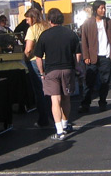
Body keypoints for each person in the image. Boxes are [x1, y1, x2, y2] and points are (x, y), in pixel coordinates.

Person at [34, 8, 81, 141]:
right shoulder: (71, 34)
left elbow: (38, 57)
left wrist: (42, 72)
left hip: (51, 71)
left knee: (55, 100)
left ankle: (59, 130)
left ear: (49, 20)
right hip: (67, 69)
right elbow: (77, 53)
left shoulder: (44, 35)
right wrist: (76, 66)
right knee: (66, 98)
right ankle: (65, 124)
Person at [79, 0, 111, 113]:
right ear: (96, 10)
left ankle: (103, 102)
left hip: (105, 56)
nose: (103, 10)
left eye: (104, 8)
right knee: (88, 82)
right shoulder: (88, 23)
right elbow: (84, 41)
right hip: (92, 57)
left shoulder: (109, 22)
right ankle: (85, 104)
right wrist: (86, 56)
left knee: (105, 82)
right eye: (101, 8)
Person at [24, 7, 52, 127]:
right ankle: (55, 116)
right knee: (52, 90)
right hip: (50, 60)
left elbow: (28, 49)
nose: (26, 22)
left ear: (33, 18)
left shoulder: (32, 29)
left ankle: (43, 119)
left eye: (27, 19)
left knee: (40, 91)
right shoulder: (47, 26)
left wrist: (25, 58)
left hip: (36, 61)